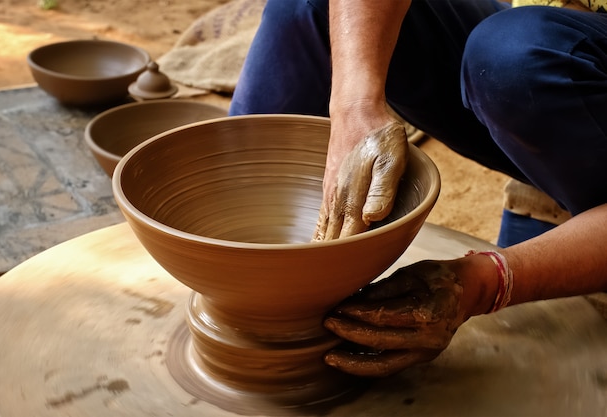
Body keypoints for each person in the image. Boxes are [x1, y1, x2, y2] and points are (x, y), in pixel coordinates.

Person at [229, 0, 607, 377]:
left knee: (516, 56)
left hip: (538, 63)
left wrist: (485, 283)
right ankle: (242, 272)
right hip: (559, 38)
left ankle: (576, 207)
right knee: (308, 7)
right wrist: (354, 106)